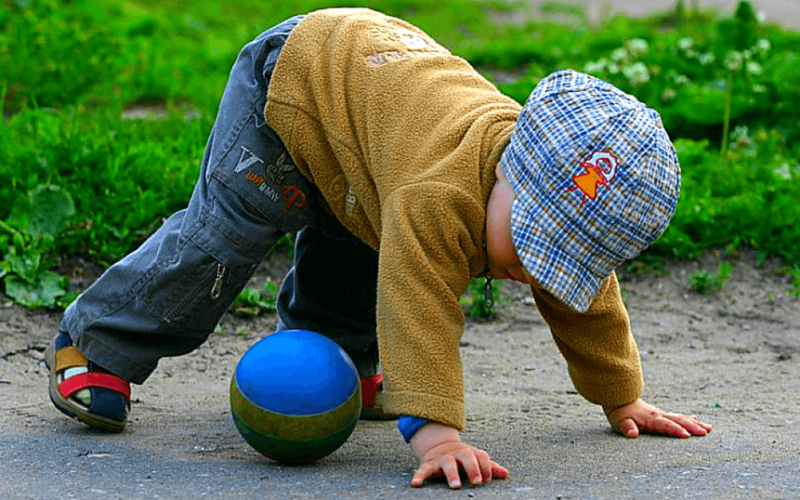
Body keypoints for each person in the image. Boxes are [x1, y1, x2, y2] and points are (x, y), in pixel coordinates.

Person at [45, 8, 712, 490]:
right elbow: (416, 302)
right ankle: (97, 345)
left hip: (369, 132)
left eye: (561, 256)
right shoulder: (439, 193)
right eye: (537, 242)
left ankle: (340, 356)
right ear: (509, 166)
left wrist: (621, 397)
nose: (537, 268)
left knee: (359, 244)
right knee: (224, 237)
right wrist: (436, 433)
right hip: (297, 88)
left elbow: (589, 301)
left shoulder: (533, 193)